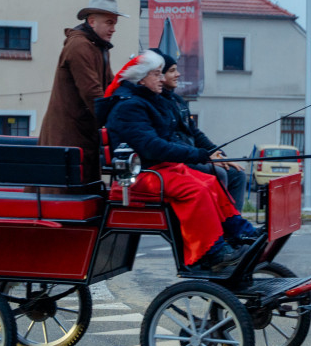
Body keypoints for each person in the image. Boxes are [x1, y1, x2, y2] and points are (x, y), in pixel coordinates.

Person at [103, 50, 261, 270]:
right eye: (157, 74)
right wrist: (197, 154)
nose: (161, 79)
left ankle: (238, 231)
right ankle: (211, 253)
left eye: (161, 73)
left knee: (210, 182)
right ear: (141, 78)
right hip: (140, 175)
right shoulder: (130, 106)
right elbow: (152, 146)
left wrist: (206, 153)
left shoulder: (150, 101)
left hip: (160, 168)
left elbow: (177, 137)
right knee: (195, 191)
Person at [38, 0, 125, 188]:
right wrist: (119, 121)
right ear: (92, 21)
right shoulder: (80, 46)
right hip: (68, 135)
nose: (113, 29)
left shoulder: (98, 46)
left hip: (81, 133)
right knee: (67, 191)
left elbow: (110, 85)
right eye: (109, 23)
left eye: (115, 23)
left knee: (83, 186)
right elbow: (92, 92)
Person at [151, 48, 248, 208]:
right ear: (160, 75)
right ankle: (217, 224)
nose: (178, 74)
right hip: (180, 159)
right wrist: (207, 156)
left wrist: (221, 156)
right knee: (220, 172)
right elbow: (170, 139)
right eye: (172, 71)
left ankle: (233, 224)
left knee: (237, 174)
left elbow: (195, 134)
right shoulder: (157, 104)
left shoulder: (177, 100)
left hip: (194, 155)